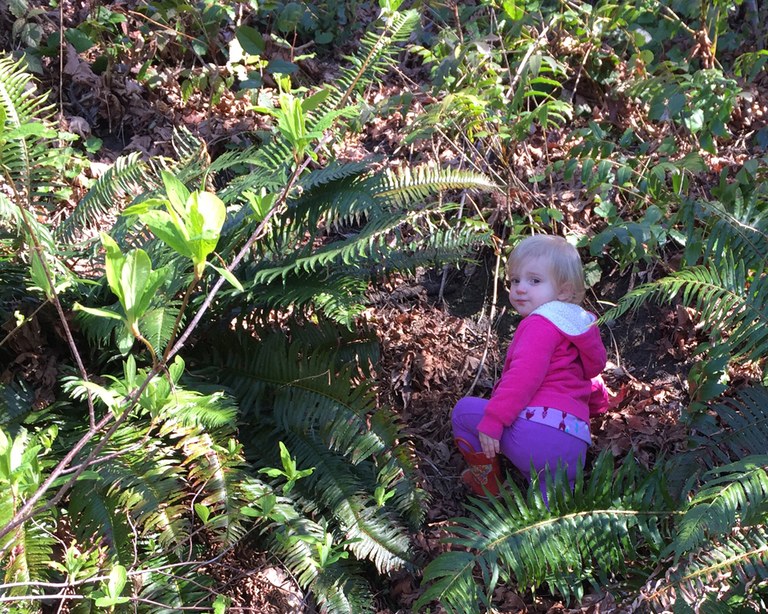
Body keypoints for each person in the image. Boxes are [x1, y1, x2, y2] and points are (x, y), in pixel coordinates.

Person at [452, 234, 610, 501]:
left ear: (563, 291)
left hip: (537, 437)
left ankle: (489, 486)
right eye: (515, 280)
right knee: (549, 510)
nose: (520, 288)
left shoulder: (540, 324)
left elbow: (523, 377)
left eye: (534, 281)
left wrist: (494, 419)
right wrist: (599, 407)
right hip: (575, 445)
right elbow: (591, 382)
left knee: (463, 413)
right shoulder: (578, 328)